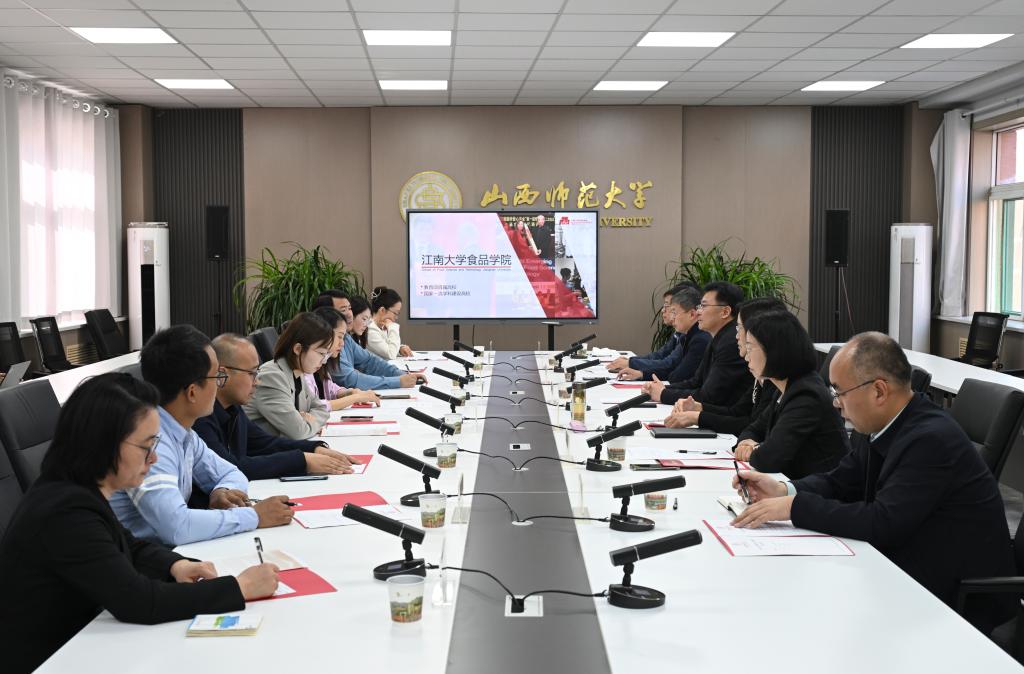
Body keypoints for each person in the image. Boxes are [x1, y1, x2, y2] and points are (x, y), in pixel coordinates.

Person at [731, 332, 1015, 633]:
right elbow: (842, 481)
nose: (836, 403)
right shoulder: (883, 425)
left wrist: (794, 507)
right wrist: (784, 490)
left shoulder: (931, 439)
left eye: (840, 392)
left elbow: (883, 522)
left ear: (879, 391)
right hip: (905, 574)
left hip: (954, 603)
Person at [0, 373, 280, 674]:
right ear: (105, 443)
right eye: (146, 446)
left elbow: (127, 545)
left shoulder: (76, 489)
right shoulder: (65, 511)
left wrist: (174, 564)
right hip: (51, 660)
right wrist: (239, 587)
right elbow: (139, 601)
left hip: (86, 643)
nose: (154, 459)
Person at [109, 325, 293, 546]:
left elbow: (232, 472)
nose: (220, 385)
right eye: (217, 377)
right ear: (192, 392)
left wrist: (222, 491)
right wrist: (254, 516)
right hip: (134, 558)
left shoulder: (183, 431)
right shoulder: (152, 442)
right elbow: (176, 527)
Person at [195, 333, 359, 480]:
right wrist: (302, 460)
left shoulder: (233, 408)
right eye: (251, 373)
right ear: (223, 374)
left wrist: (314, 448)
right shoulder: (201, 416)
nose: (257, 381)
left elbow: (264, 444)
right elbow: (230, 467)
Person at [730, 310, 848, 479]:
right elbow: (753, 429)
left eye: (750, 348)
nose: (746, 357)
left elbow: (769, 458)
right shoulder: (785, 387)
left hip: (817, 489)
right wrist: (747, 442)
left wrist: (753, 449)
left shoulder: (806, 395)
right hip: (792, 483)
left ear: (774, 350)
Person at [664, 296, 785, 433]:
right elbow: (737, 412)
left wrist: (698, 417)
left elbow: (752, 425)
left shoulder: (777, 379)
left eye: (740, 328)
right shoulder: (762, 374)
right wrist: (698, 408)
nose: (737, 336)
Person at [644, 281, 751, 408]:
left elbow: (709, 396)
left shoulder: (731, 343)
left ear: (725, 312)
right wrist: (662, 389)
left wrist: (663, 394)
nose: (698, 312)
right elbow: (696, 382)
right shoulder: (717, 337)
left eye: (703, 306)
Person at [244, 312, 333, 440]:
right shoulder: (272, 377)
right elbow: (299, 431)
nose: (324, 361)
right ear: (298, 349)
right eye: (321, 353)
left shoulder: (297, 373)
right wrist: (309, 423)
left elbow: (321, 409)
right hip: (262, 450)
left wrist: (307, 421)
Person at [617, 286, 709, 382]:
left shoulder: (700, 340)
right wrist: (642, 374)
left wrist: (635, 366)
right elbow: (670, 366)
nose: (672, 318)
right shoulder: (686, 335)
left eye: (674, 313)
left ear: (692, 314)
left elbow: (676, 374)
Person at [335, 296, 424, 390]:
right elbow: (351, 380)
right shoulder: (370, 330)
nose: (349, 315)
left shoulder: (347, 338)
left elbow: (369, 361)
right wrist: (398, 381)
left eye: (349, 309)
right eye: (395, 313)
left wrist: (403, 375)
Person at [607, 283, 693, 374]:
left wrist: (631, 364)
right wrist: (632, 363)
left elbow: (669, 365)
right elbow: (659, 356)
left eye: (667, 306)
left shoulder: (692, 337)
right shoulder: (679, 334)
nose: (663, 310)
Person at [311, 306, 383, 411]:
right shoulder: (308, 367)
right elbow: (314, 405)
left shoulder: (322, 365)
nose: (342, 343)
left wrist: (350, 392)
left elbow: (330, 388)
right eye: (340, 337)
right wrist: (355, 398)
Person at [366, 286, 414, 359]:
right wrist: (393, 327)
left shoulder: (381, 326)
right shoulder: (370, 329)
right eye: (395, 313)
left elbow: (386, 347)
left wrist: (399, 349)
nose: (396, 317)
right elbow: (391, 354)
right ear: (382, 310)